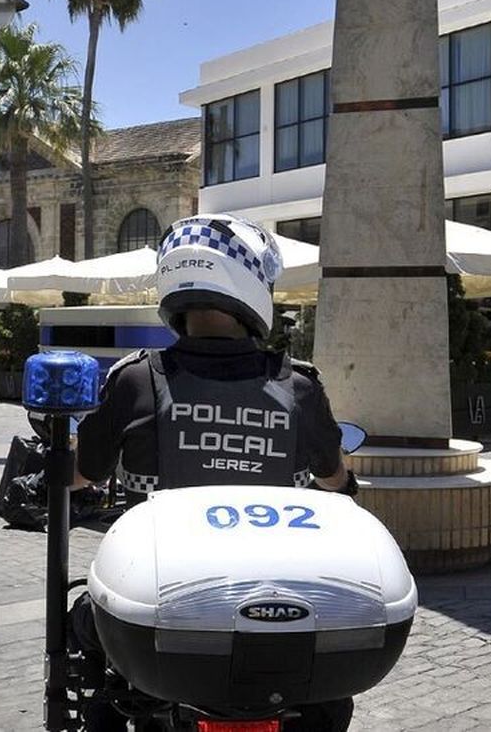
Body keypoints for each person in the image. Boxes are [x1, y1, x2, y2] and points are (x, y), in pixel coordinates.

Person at [69, 214, 356, 731]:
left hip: (160, 624)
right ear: (252, 287)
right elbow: (335, 478)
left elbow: (82, 474)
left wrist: (44, 475)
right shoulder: (300, 388)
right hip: (276, 613)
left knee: (82, 633)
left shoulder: (135, 380)